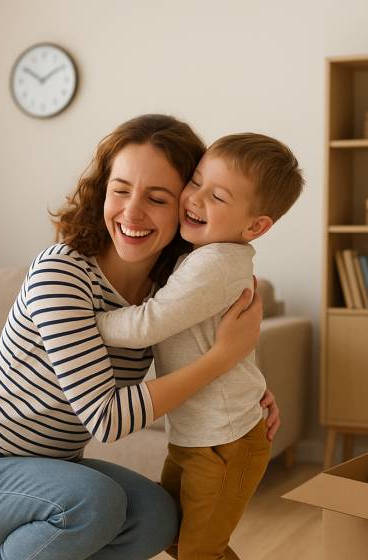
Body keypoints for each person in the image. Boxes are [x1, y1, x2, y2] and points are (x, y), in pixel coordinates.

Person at [0, 115, 280, 560]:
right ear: (103, 192)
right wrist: (221, 357)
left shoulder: (166, 290)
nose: (132, 212)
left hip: (54, 469)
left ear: (186, 206)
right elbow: (107, 420)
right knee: (94, 502)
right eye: (120, 190)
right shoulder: (61, 272)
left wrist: (249, 390)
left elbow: (202, 345)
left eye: (157, 198)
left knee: (158, 515)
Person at [95, 132, 304, 560]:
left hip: (224, 443)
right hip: (200, 436)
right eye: (196, 181)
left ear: (255, 226)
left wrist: (77, 320)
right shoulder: (203, 254)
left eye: (218, 196)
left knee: (197, 550)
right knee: (178, 538)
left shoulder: (215, 263)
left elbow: (146, 324)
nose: (194, 198)